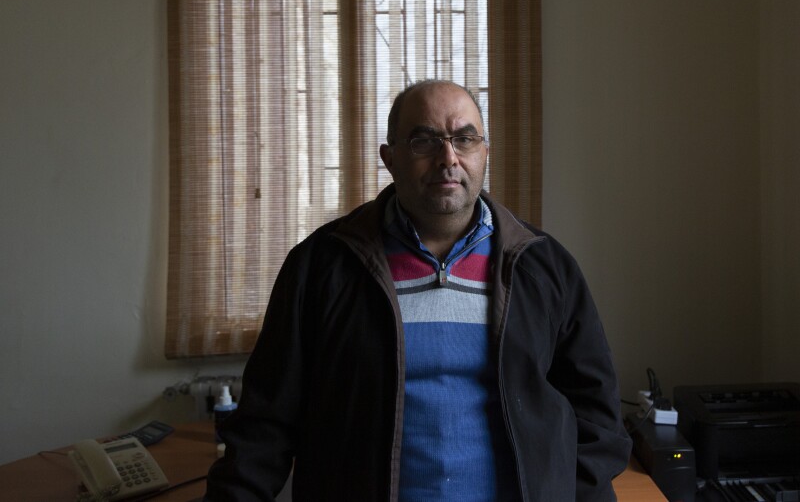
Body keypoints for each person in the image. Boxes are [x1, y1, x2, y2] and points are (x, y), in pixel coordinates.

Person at [203, 79, 632, 501]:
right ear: (390, 159)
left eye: (464, 139)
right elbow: (265, 424)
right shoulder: (321, 266)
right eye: (424, 141)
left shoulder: (544, 267)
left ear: (485, 153)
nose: (448, 158)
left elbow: (596, 415)